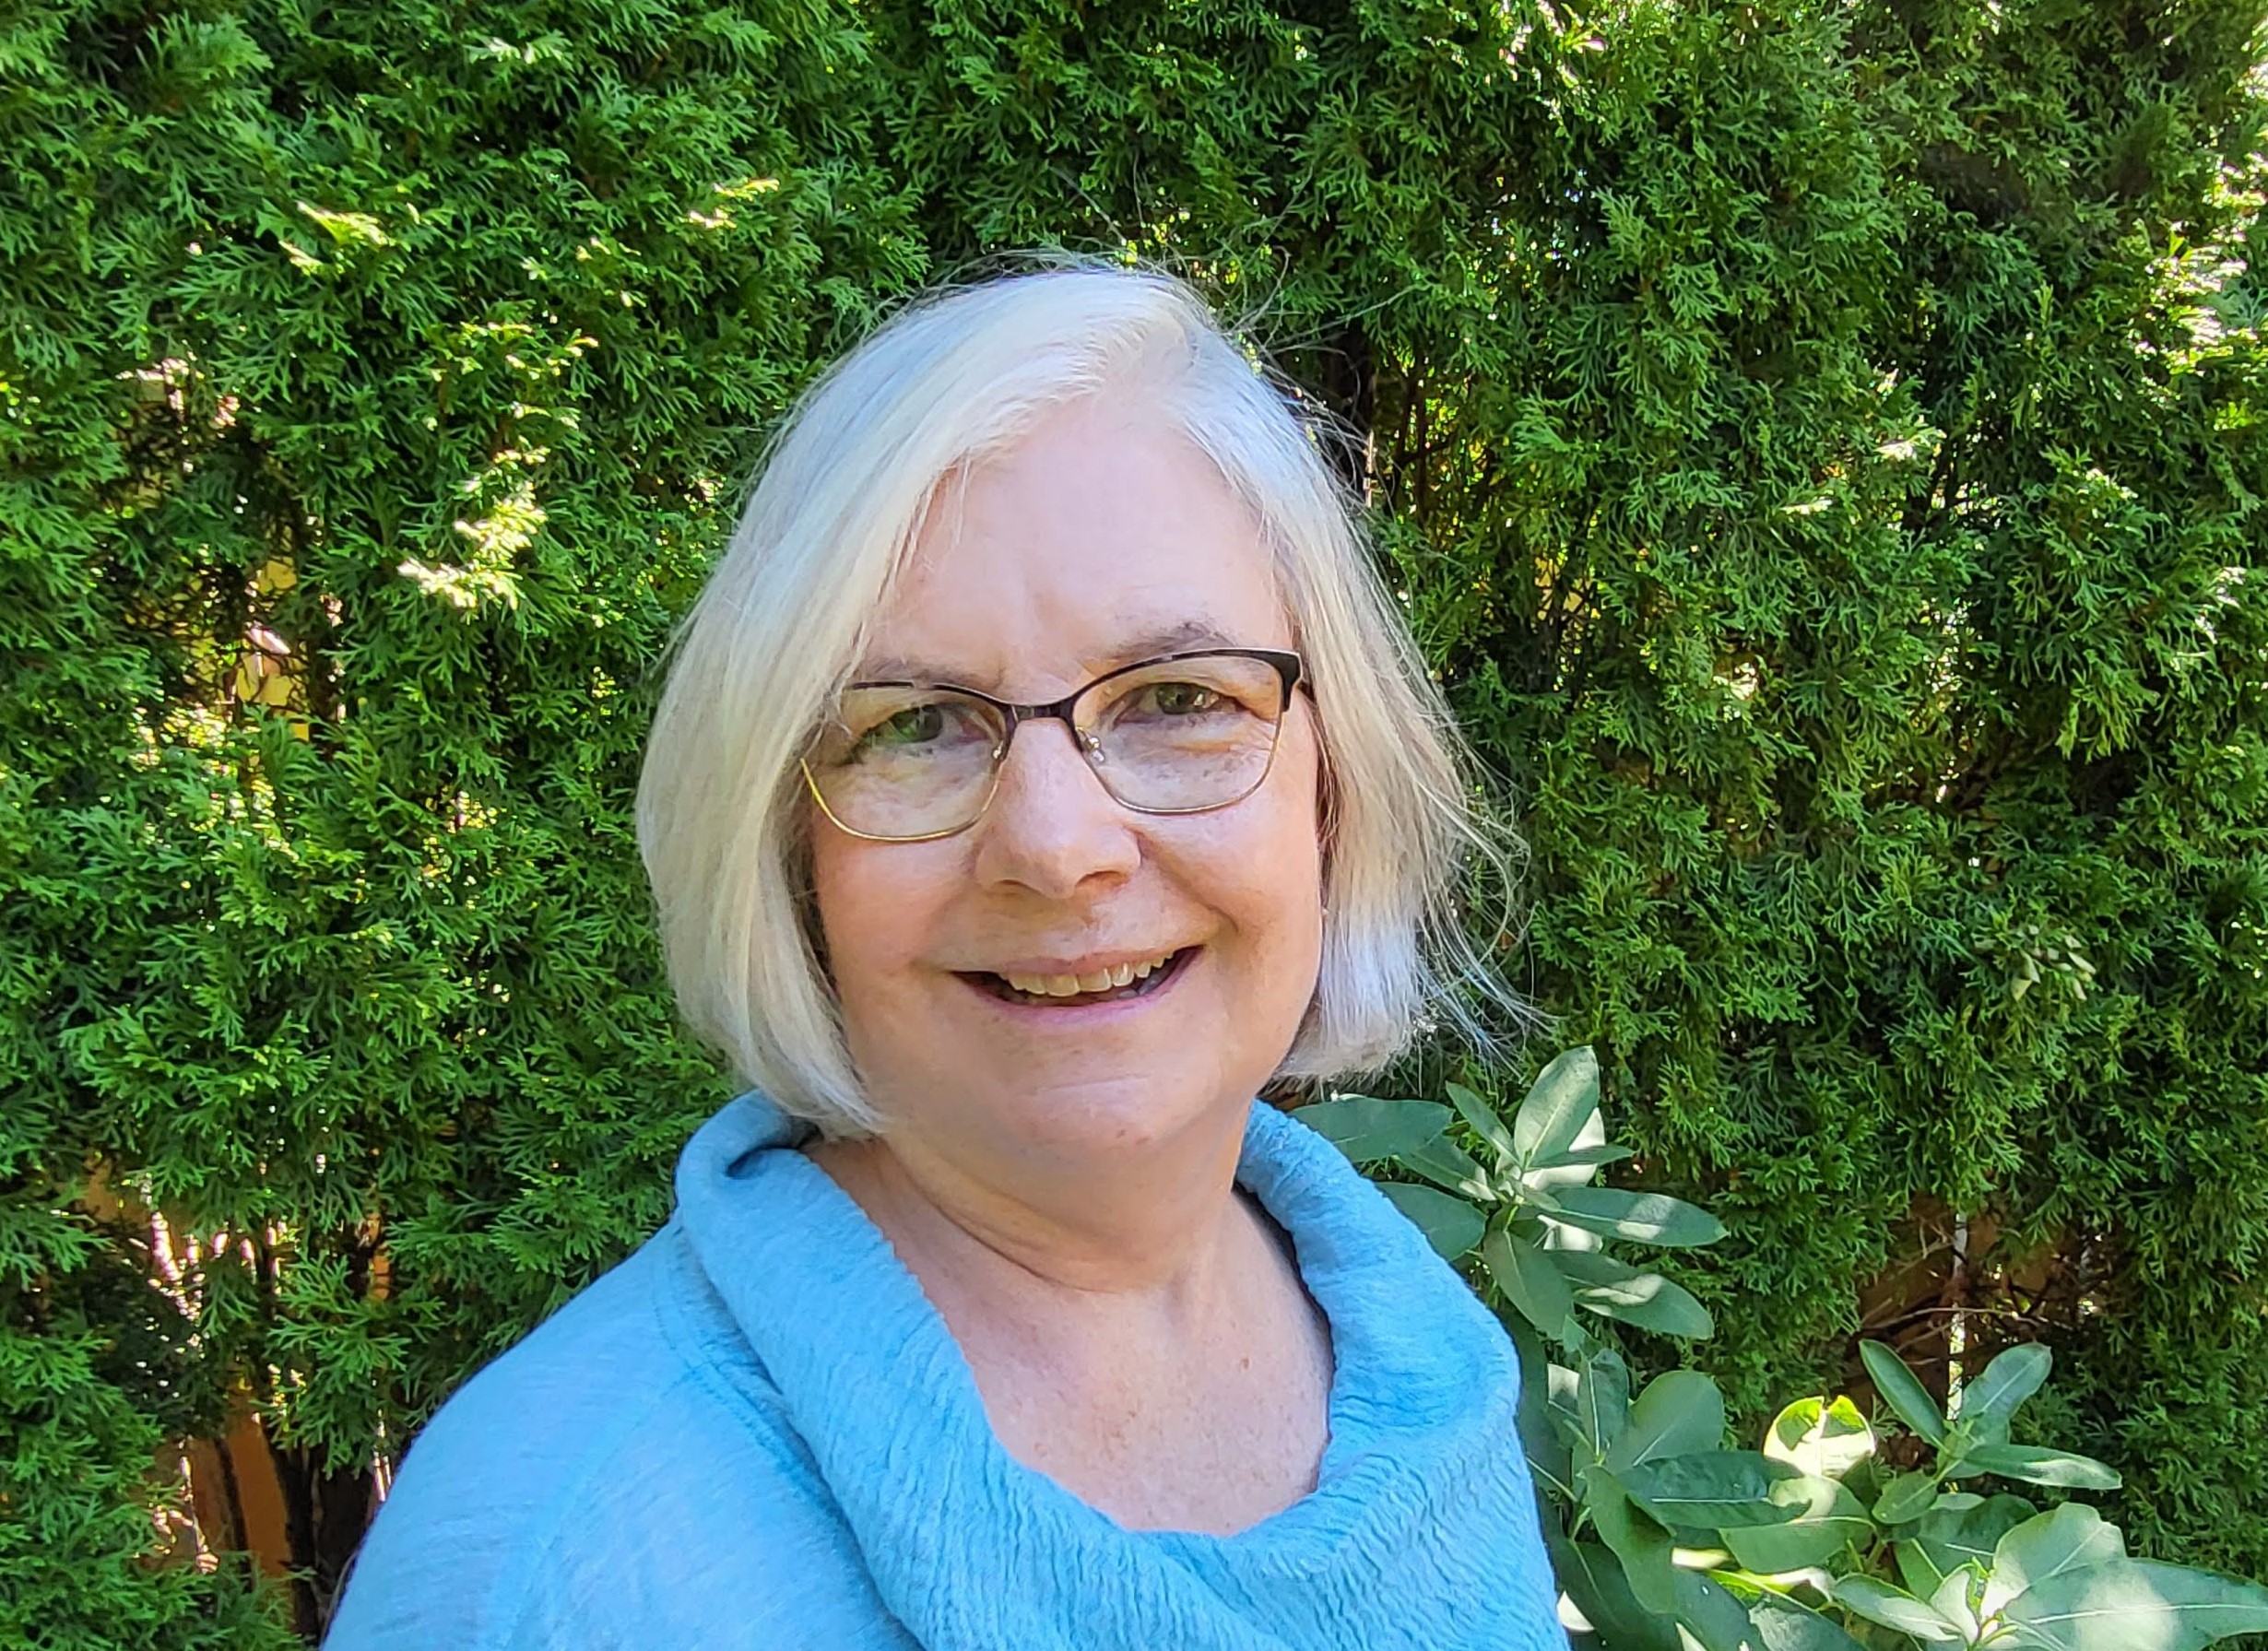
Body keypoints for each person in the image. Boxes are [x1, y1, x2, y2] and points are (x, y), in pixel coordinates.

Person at [324, 264, 1567, 1649]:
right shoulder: (551, 1558)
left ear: (1330, 786)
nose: (1057, 846)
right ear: (792, 846)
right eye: (913, 725)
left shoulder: (1413, 1355)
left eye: (1177, 699)